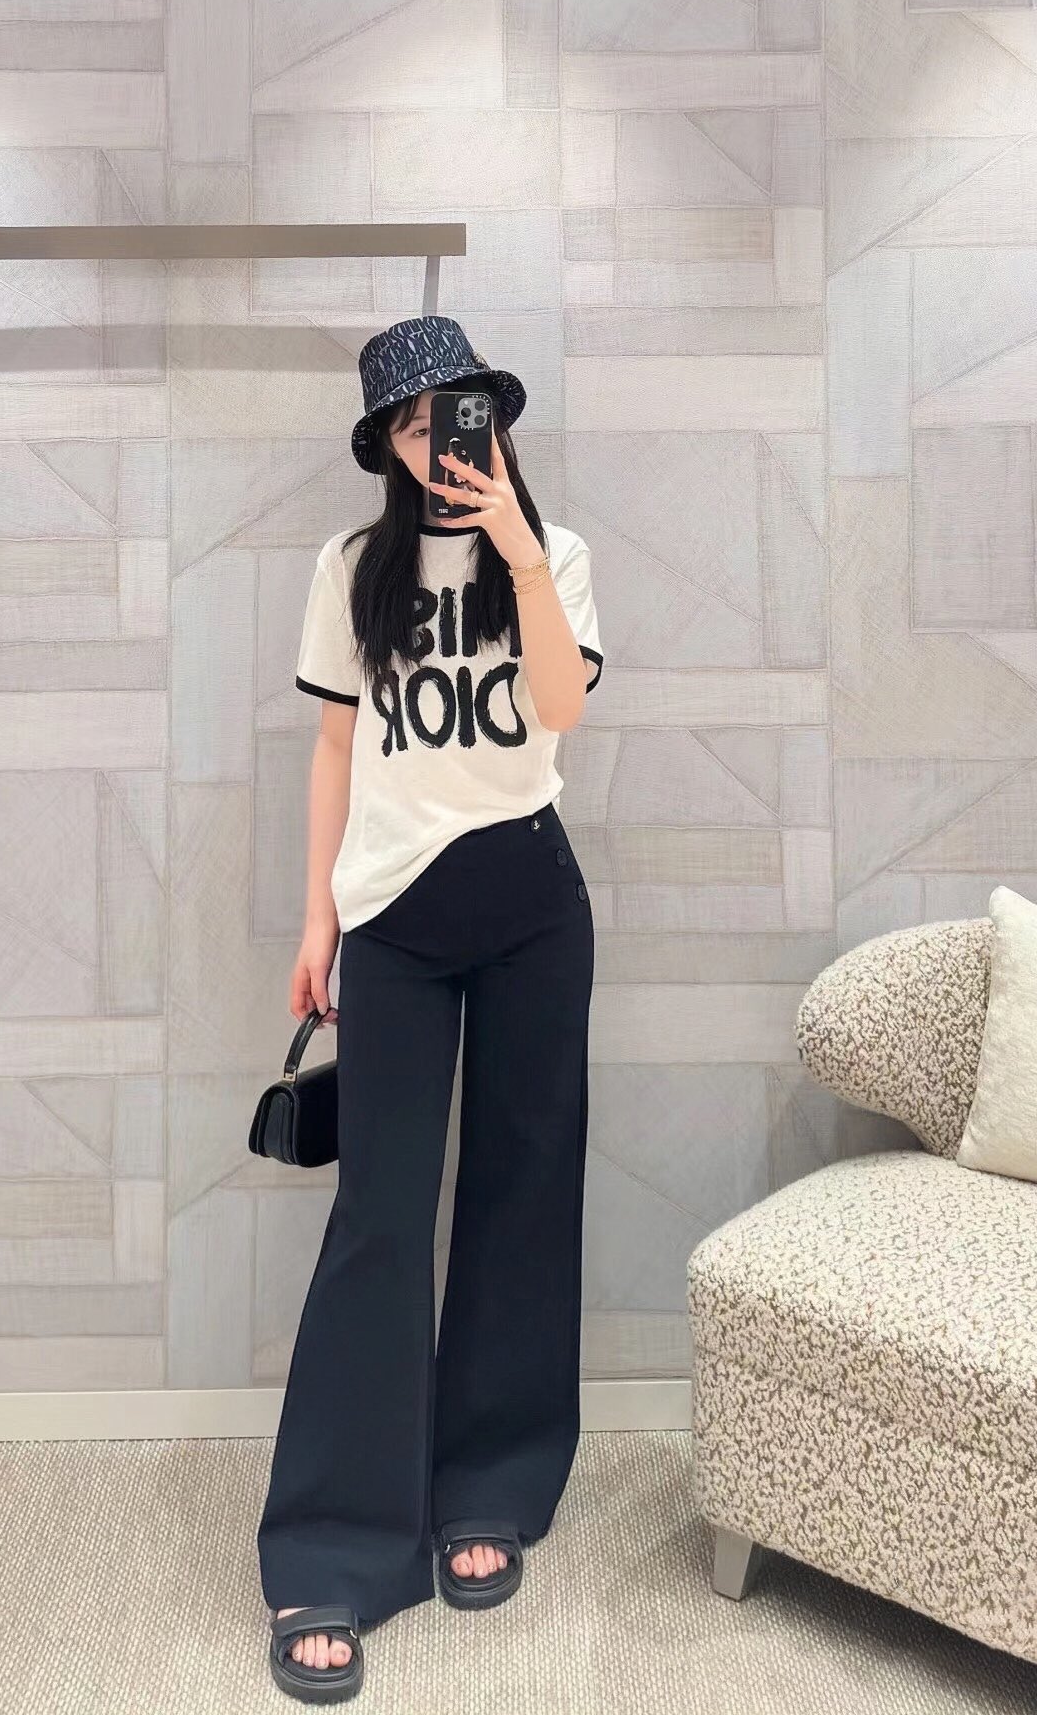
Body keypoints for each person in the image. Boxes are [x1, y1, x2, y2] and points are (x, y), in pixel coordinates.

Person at [259, 316, 602, 1704]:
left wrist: (519, 552)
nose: (441, 441)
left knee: (523, 1190)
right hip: (393, 919)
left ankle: (489, 1490)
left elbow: (562, 711)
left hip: (531, 909)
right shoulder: (352, 569)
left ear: (493, 422)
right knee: (382, 1219)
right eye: (414, 424)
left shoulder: (556, 556)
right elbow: (337, 744)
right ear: (390, 450)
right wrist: (318, 920)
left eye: (458, 414)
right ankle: (335, 1546)